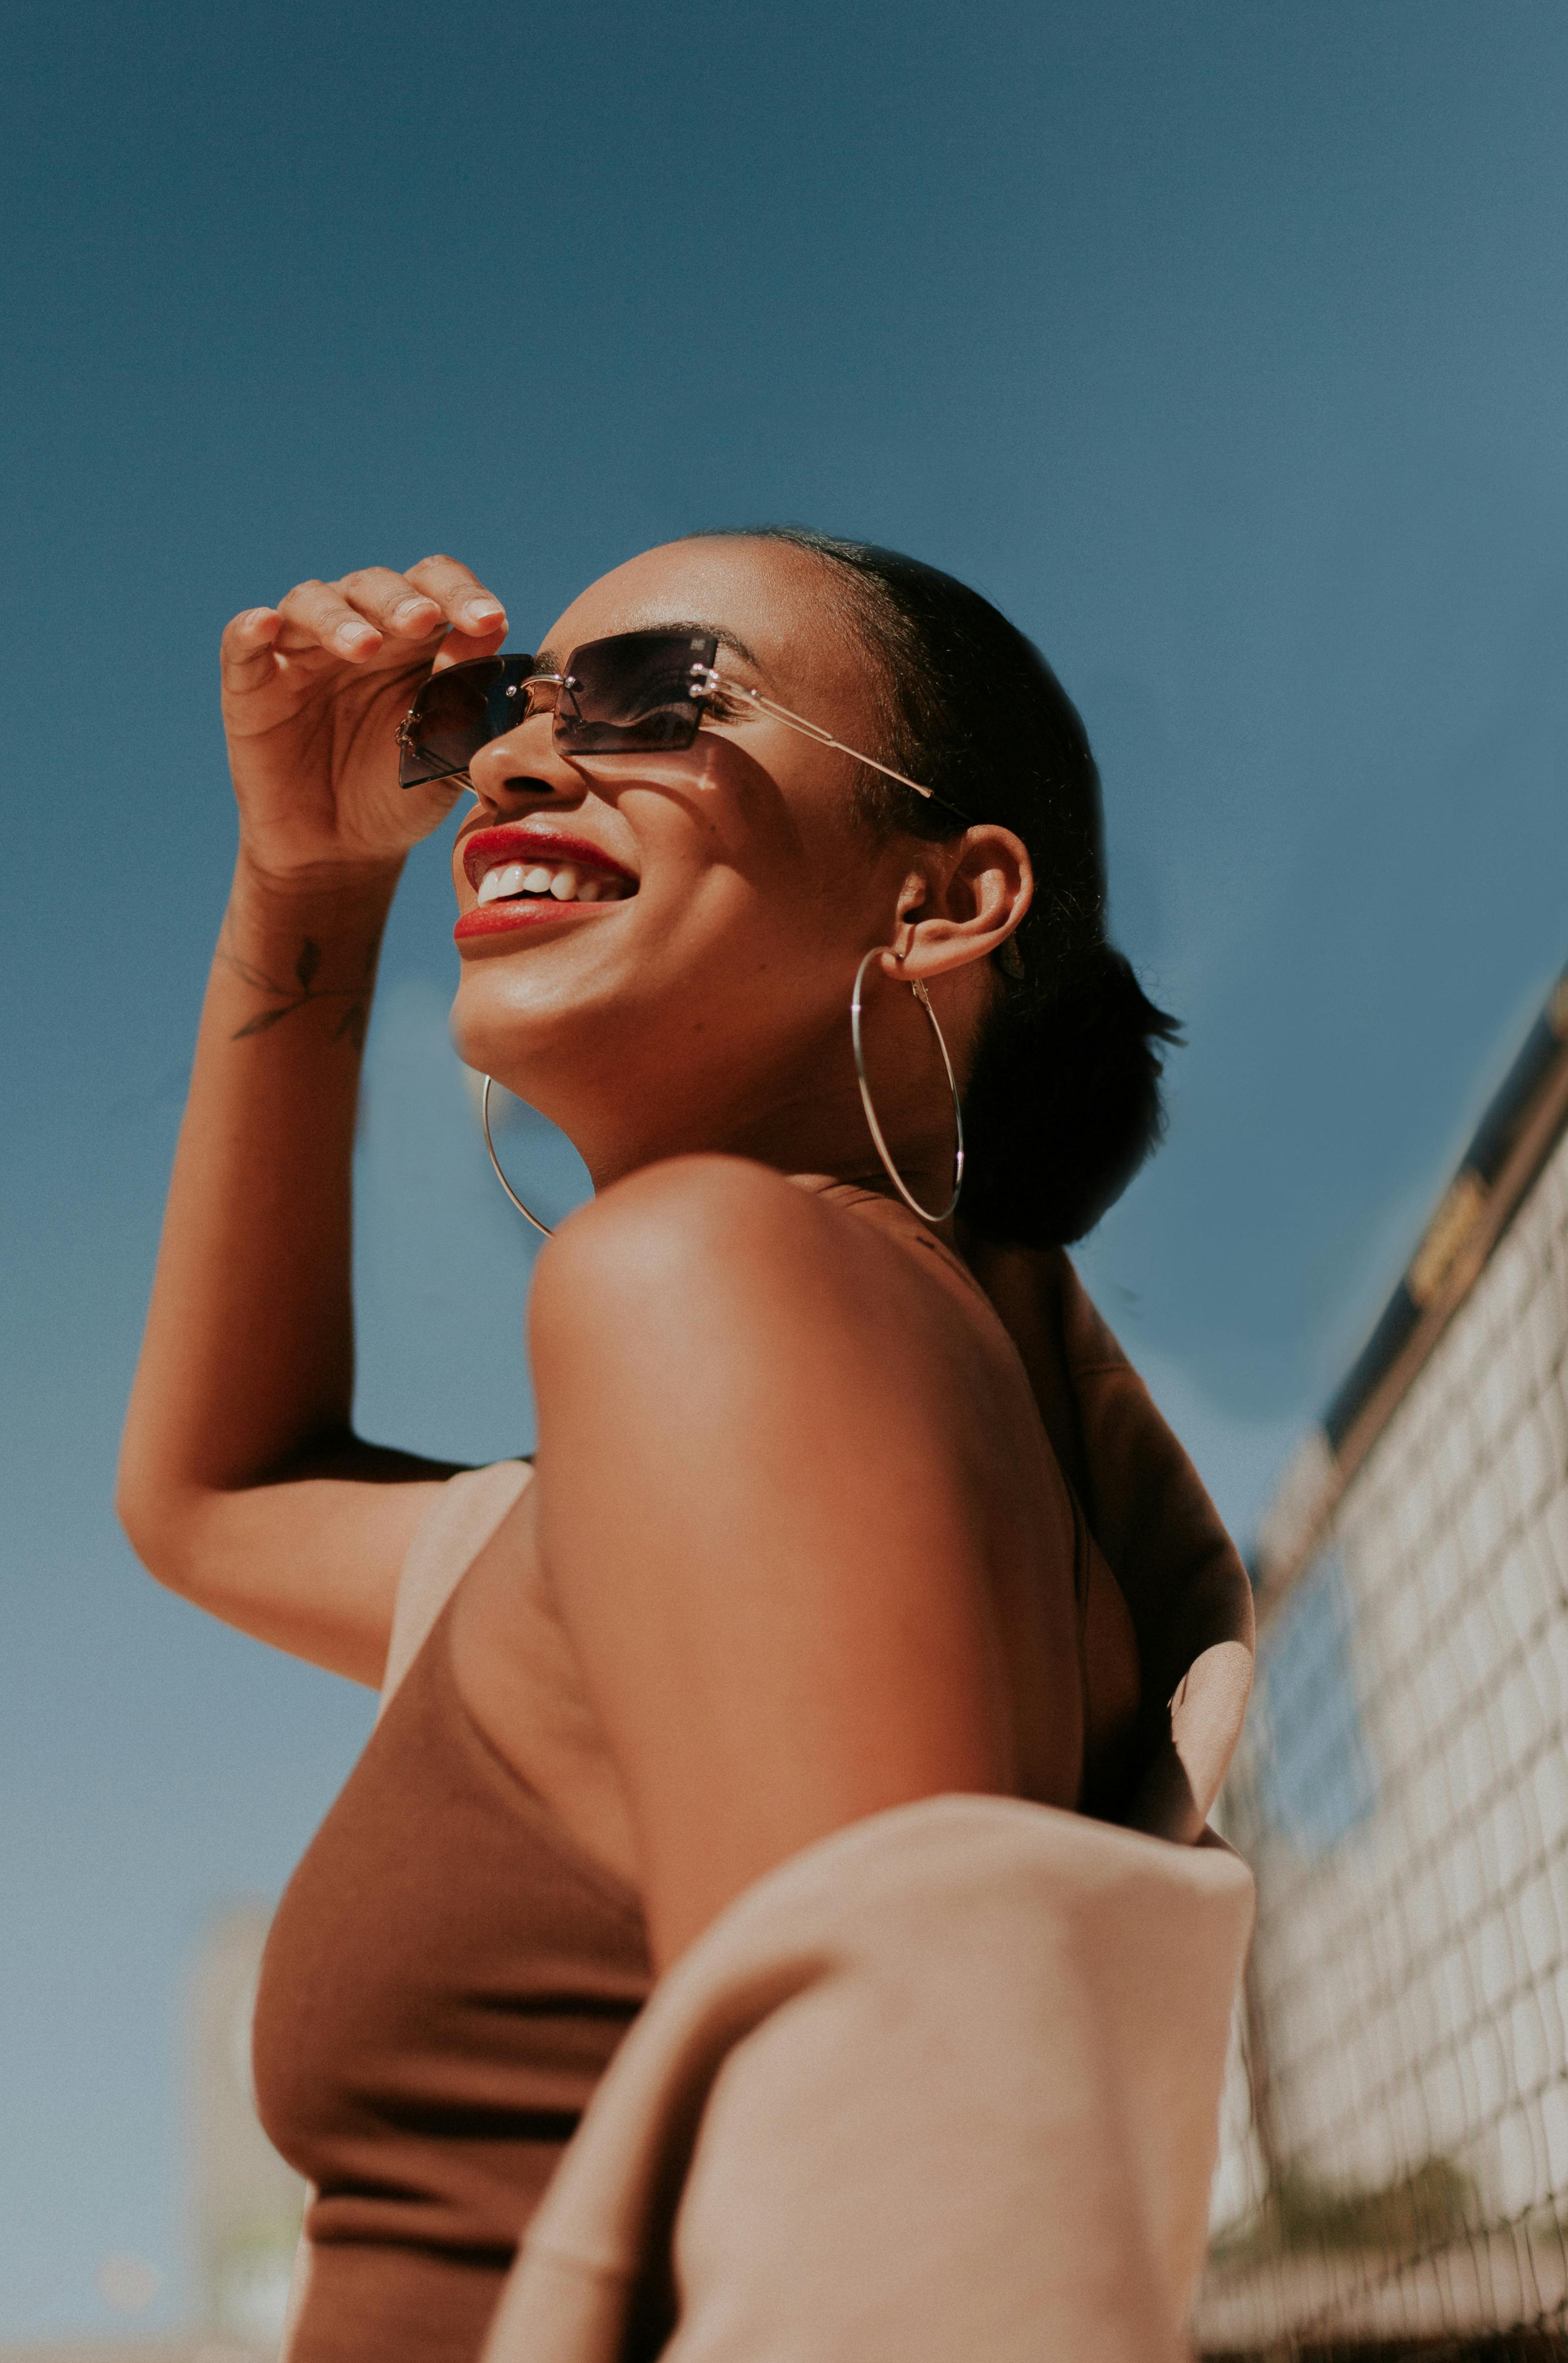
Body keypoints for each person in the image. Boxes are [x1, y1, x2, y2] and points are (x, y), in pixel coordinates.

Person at [117, 527, 1254, 2363]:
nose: (504, 762)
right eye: (489, 711)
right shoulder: (831, 1380)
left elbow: (902, 2246)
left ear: (943, 898)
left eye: (656, 696)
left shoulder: (713, 1282)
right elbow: (214, 1501)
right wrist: (310, 873)